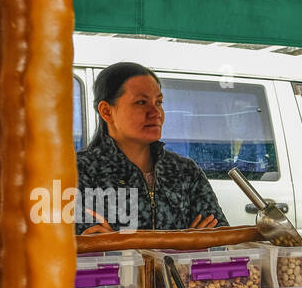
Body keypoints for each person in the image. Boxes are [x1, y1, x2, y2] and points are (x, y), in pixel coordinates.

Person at [76, 62, 227, 234]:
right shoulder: (78, 171)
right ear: (106, 111)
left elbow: (219, 238)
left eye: (159, 102)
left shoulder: (184, 172)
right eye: (141, 102)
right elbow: (80, 247)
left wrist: (119, 244)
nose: (156, 112)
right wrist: (183, 244)